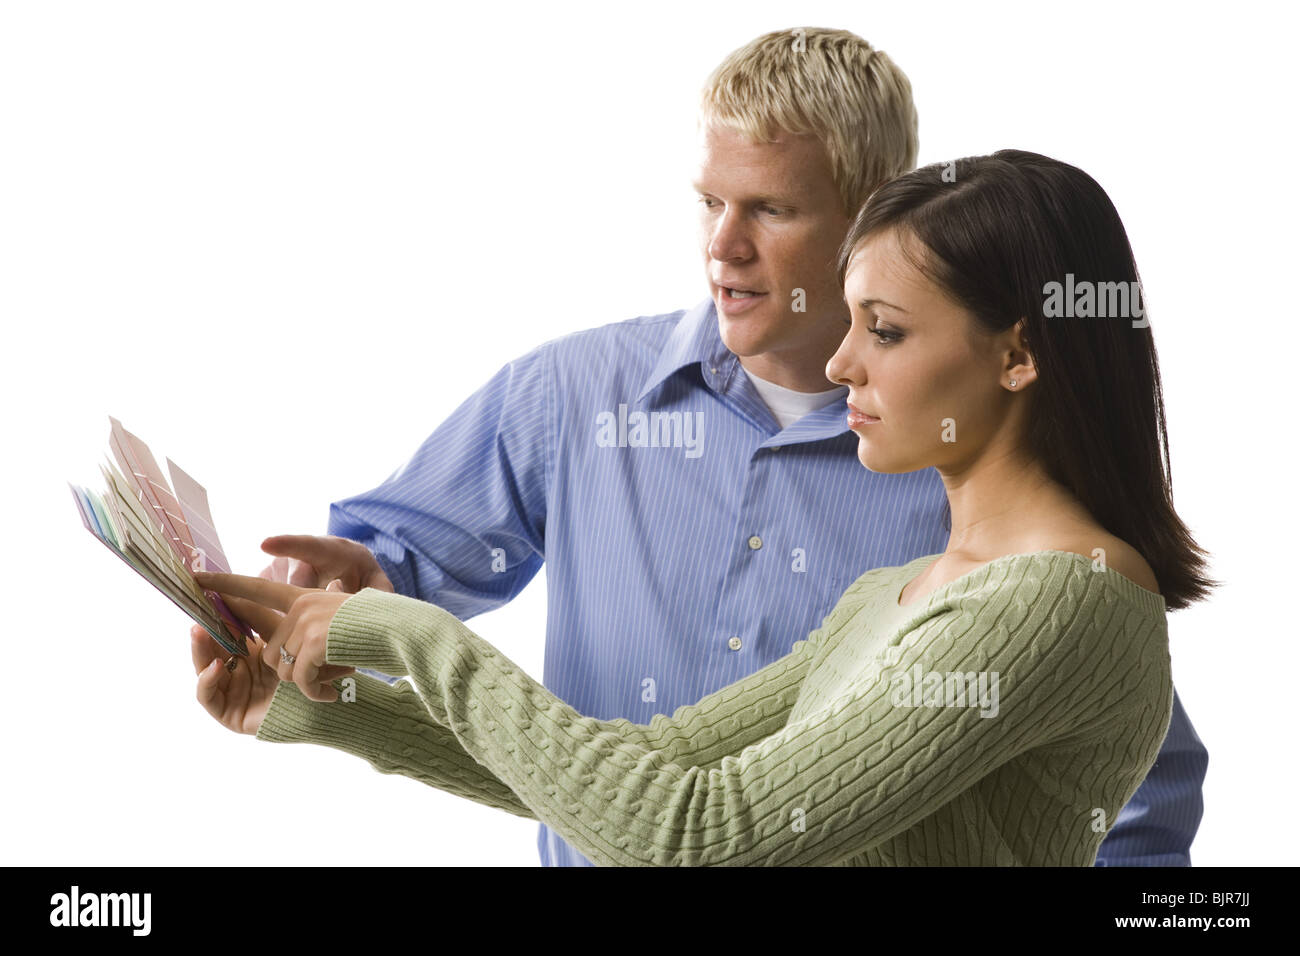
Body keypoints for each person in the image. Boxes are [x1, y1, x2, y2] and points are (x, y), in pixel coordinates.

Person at [190, 28, 1209, 865]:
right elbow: (644, 764)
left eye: (886, 330)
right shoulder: (890, 591)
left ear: (1018, 354)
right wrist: (324, 711)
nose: (850, 362)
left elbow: (702, 831)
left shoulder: (1059, 597)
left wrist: (399, 633)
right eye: (710, 200)